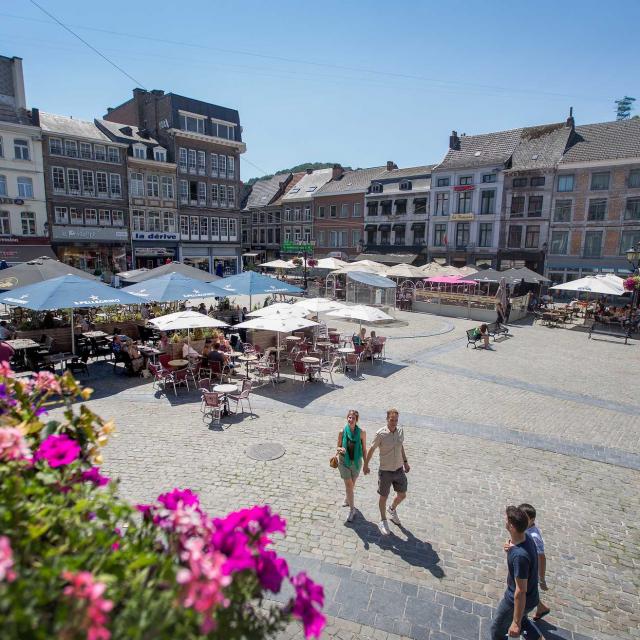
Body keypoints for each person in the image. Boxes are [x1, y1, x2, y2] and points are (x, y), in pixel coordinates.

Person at [491, 506, 543, 640]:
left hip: (515, 601)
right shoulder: (526, 538)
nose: (505, 522)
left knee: (497, 629)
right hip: (532, 598)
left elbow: (520, 591)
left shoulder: (519, 556)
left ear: (512, 527)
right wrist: (511, 547)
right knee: (523, 620)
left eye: (507, 521)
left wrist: (515, 623)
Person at [363, 408, 410, 536]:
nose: (394, 422)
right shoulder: (380, 434)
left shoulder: (400, 431)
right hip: (386, 471)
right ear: (387, 419)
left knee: (402, 495)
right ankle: (383, 520)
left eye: (396, 420)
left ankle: (392, 509)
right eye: (391, 420)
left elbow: (401, 447)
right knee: (383, 497)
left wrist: (405, 462)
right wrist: (365, 465)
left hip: (399, 469)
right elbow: (371, 449)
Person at [518, 503, 551, 622]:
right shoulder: (525, 529)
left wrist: (541, 578)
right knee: (528, 590)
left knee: (524, 591)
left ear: (532, 520)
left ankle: (519, 618)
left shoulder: (534, 536)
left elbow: (541, 557)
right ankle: (541, 607)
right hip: (527, 568)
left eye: (523, 517)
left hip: (531, 571)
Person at [335, 409, 367, 523]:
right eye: (349, 417)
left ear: (356, 420)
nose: (351, 419)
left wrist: (366, 464)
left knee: (351, 486)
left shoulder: (362, 432)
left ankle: (347, 498)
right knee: (349, 485)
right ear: (347, 418)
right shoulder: (342, 431)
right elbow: (337, 447)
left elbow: (364, 449)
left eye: (353, 418)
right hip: (344, 461)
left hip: (356, 462)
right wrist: (341, 448)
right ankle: (352, 510)